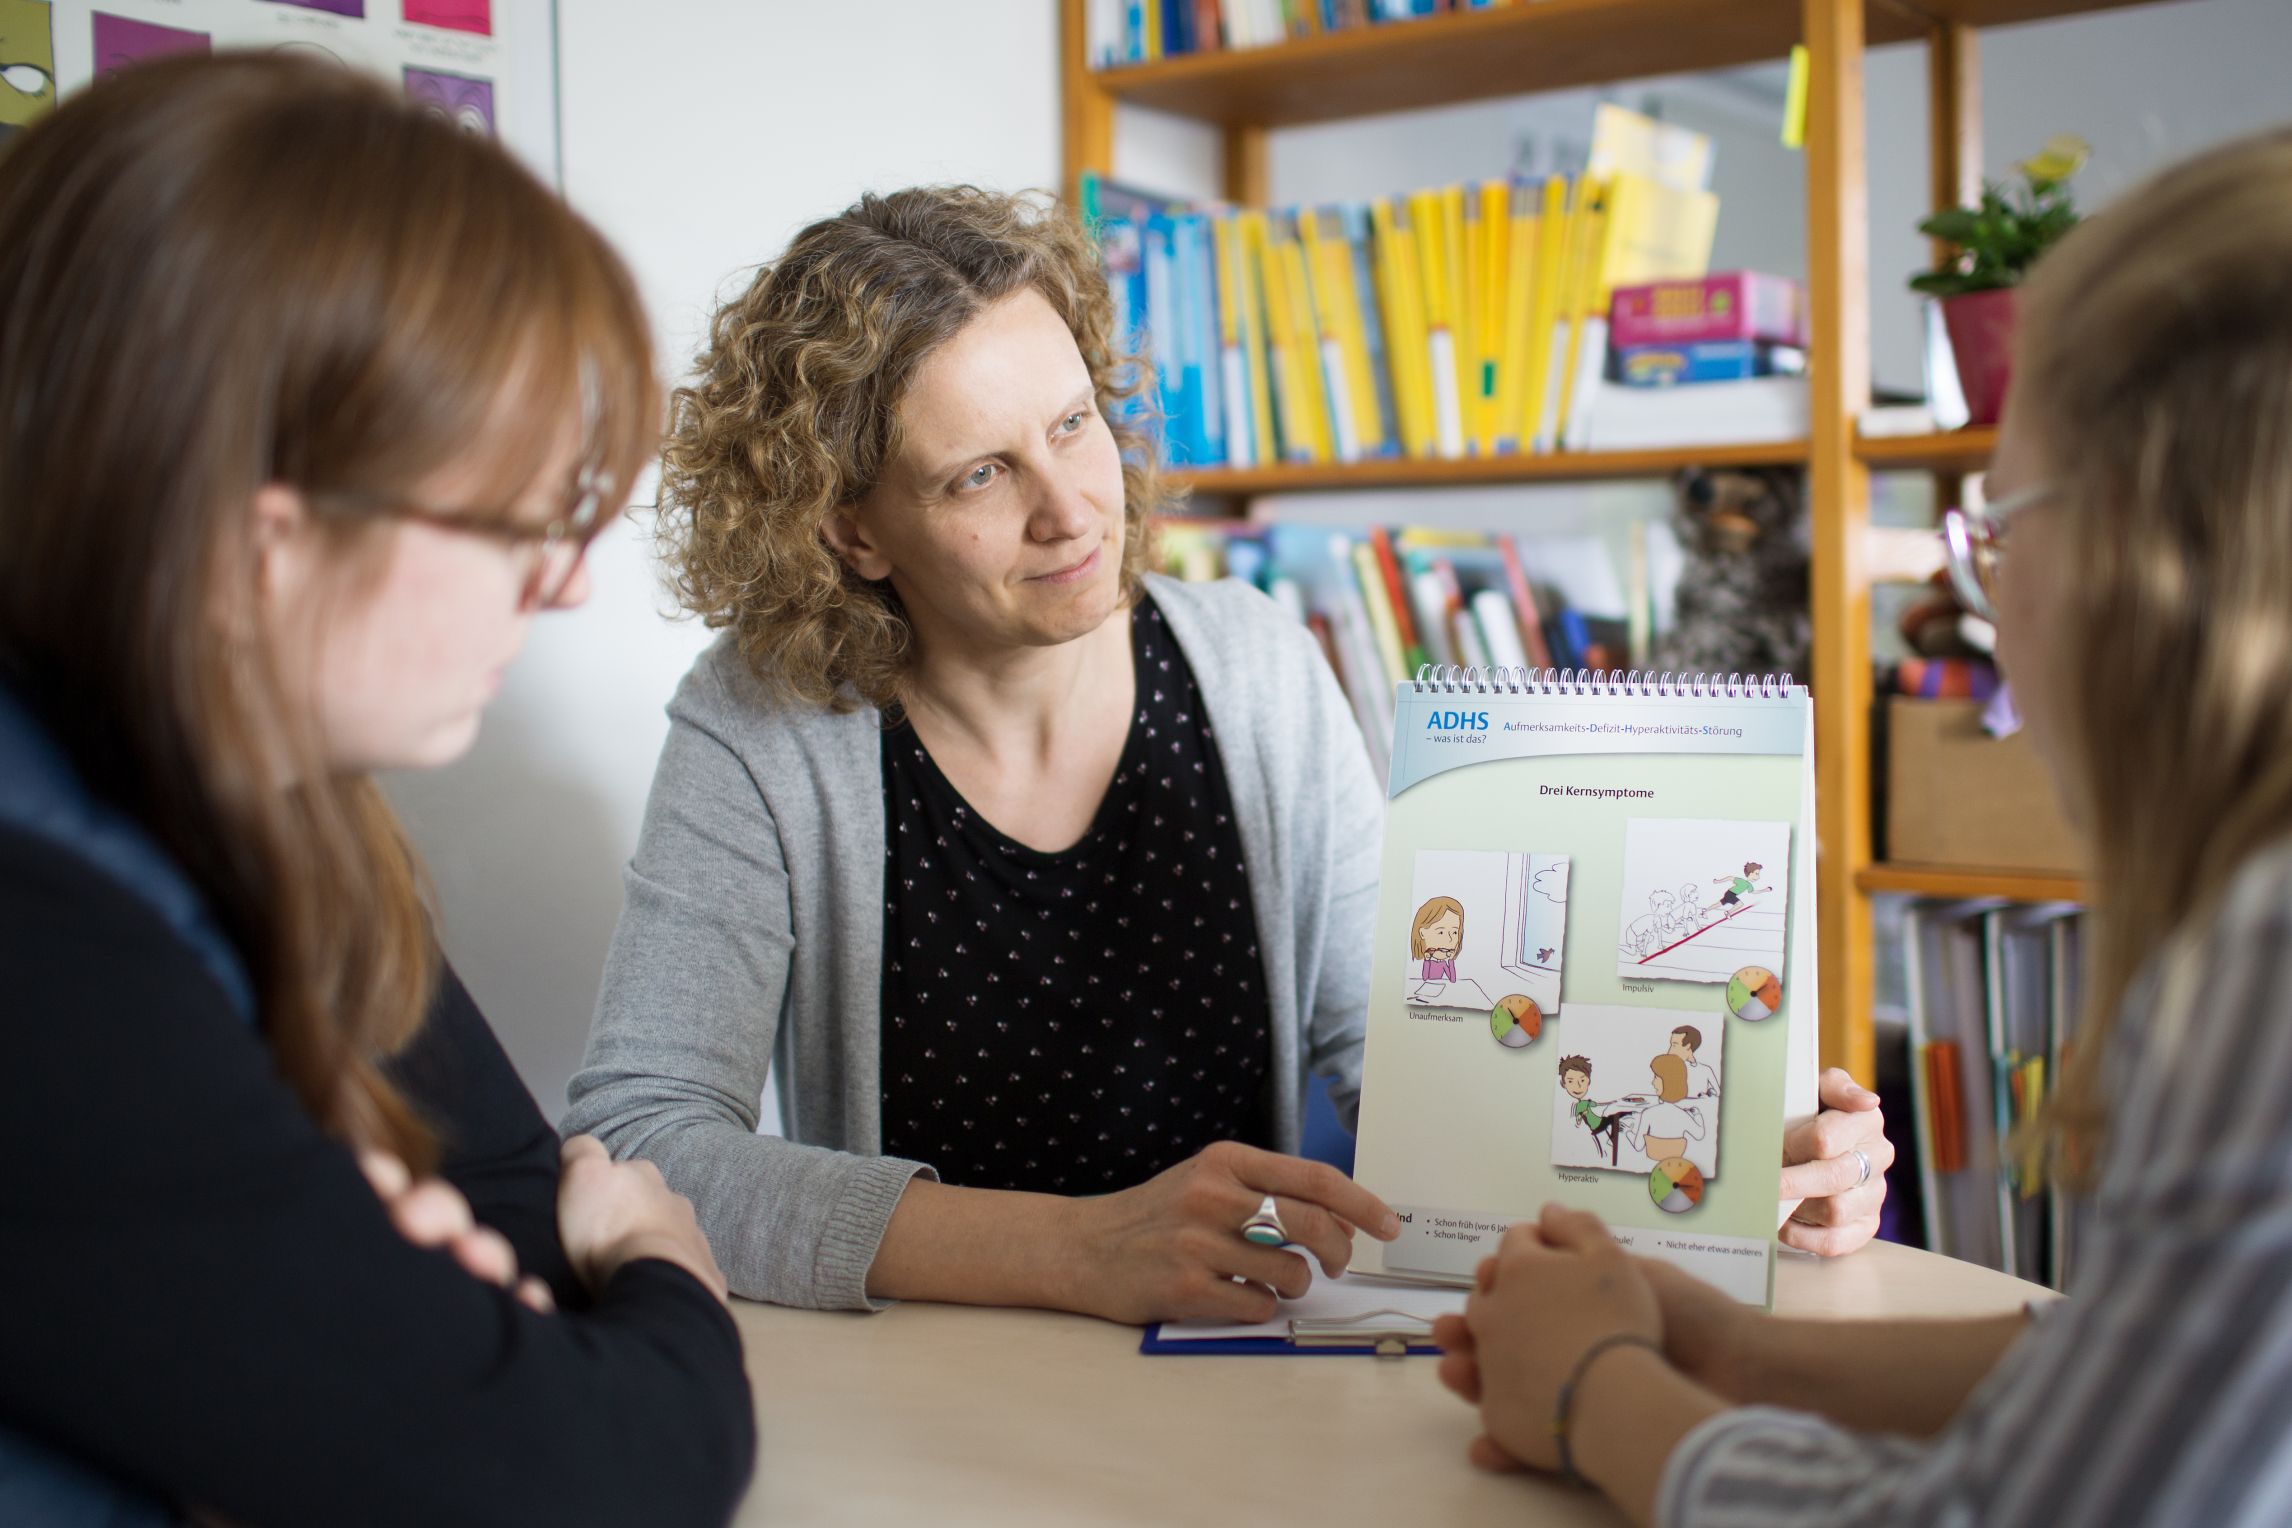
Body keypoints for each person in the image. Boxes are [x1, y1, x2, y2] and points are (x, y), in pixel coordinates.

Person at [563, 184, 1894, 1323]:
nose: (1070, 507)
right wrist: (1078, 1252)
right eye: (979, 473)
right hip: (928, 1393)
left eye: (1075, 425)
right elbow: (640, 1140)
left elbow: (1426, 1072)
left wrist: (1734, 1172)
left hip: (1240, 1361)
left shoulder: (1250, 665)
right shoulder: (764, 721)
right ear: (854, 530)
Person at [1432, 127, 2292, 1526]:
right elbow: (2151, 1371)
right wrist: (1736, 1350)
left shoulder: (2268, 952)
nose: (1983, 610)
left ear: (2150, 549)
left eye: (1997, 533)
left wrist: (1600, 1394)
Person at [0, 55, 752, 1526]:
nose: (570, 584)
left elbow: (516, 1202)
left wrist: (417, 1327)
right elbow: (586, 1479)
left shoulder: (264, 801)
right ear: (260, 541)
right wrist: (672, 1279)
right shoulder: (37, 942)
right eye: (523, 523)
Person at [1626, 1055, 1709, 1164]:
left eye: (1656, 1077)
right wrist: (1697, 1115)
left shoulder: (1648, 1113)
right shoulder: (1683, 1115)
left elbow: (1638, 1146)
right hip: (1675, 1161)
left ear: (1667, 1081)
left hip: (1651, 1160)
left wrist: (1627, 1132)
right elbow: (1699, 1134)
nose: (1652, 1082)